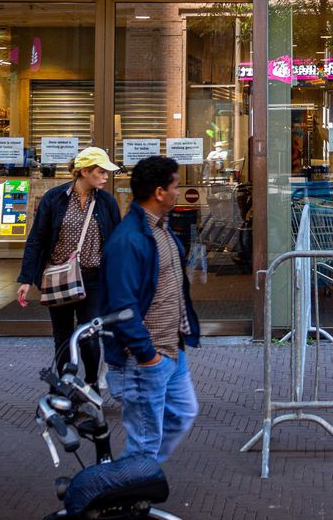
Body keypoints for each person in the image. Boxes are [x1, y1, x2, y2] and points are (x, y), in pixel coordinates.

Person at [101, 155, 200, 464]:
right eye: (175, 185)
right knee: (144, 442)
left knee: (183, 412)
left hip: (171, 349)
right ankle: (130, 491)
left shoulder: (161, 230)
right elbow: (122, 304)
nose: (178, 191)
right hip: (147, 357)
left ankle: (141, 478)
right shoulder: (129, 240)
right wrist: (147, 355)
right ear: (159, 192)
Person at [16, 146, 122, 386]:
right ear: (84, 171)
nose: (106, 177)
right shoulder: (54, 198)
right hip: (58, 278)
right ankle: (65, 384)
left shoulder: (106, 202)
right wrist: (25, 278)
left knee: (90, 336)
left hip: (93, 278)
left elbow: (117, 242)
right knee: (62, 336)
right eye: (101, 171)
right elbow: (37, 238)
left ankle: (92, 383)